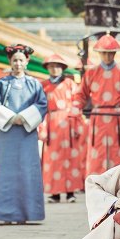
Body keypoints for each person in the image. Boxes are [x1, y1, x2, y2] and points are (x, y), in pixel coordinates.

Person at [0, 44, 48, 224]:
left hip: (27, 133)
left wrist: (25, 117)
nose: (18, 63)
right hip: (7, 133)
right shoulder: (1, 84)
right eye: (15, 60)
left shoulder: (35, 84)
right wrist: (11, 118)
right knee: (6, 172)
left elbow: (42, 104)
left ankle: (26, 213)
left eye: (21, 60)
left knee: (27, 171)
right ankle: (5, 214)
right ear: (10, 62)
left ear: (27, 61)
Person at [71, 33, 120, 176]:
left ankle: (119, 185)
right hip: (98, 118)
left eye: (111, 53)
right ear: (98, 53)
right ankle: (97, 186)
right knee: (97, 154)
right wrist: (75, 107)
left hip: (118, 117)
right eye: (104, 53)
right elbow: (81, 95)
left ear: (115, 53)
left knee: (119, 152)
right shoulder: (91, 73)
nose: (107, 56)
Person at [39, 53, 84, 203]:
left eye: (58, 66)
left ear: (62, 68)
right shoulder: (43, 85)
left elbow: (77, 102)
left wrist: (76, 123)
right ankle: (55, 192)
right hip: (51, 121)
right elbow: (41, 107)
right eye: (51, 66)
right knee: (53, 159)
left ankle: (71, 192)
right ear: (47, 68)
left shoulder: (70, 84)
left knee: (71, 157)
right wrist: (43, 127)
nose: (54, 69)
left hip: (69, 121)